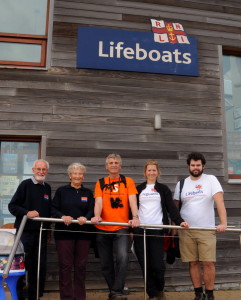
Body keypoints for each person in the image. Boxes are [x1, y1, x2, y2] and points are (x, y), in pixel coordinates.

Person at [173, 152, 227, 300]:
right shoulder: (181, 184)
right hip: (186, 230)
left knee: (208, 262)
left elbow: (219, 201)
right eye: (192, 165)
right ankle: (198, 294)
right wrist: (173, 228)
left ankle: (210, 295)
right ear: (189, 166)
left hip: (206, 229)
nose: (195, 168)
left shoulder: (211, 180)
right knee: (193, 263)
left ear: (203, 166)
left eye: (198, 165)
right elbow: (175, 208)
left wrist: (223, 223)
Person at [133, 159, 189, 300]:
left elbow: (171, 208)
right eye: (149, 170)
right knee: (145, 265)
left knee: (157, 265)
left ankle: (159, 289)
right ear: (145, 172)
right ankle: (151, 294)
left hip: (157, 231)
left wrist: (180, 221)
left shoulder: (163, 189)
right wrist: (131, 230)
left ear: (158, 172)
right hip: (141, 231)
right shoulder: (138, 189)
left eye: (154, 170)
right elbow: (132, 209)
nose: (151, 172)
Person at [91, 153, 140, 300]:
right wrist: (97, 215)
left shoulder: (128, 181)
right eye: (111, 163)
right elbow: (98, 202)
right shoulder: (100, 182)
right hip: (103, 227)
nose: (113, 165)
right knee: (106, 263)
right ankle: (114, 292)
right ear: (106, 166)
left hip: (121, 226)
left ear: (120, 165)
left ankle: (117, 291)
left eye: (116, 162)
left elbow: (132, 201)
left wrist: (135, 217)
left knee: (123, 257)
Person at [8, 159, 51, 300]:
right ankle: (19, 296)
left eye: (44, 169)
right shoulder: (25, 185)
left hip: (41, 234)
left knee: (38, 267)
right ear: (33, 170)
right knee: (21, 266)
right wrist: (27, 212)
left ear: (47, 171)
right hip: (25, 233)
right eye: (38, 169)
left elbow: (48, 211)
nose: (41, 172)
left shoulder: (47, 188)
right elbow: (12, 206)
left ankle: (35, 296)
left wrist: (48, 231)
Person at [51, 162, 94, 300]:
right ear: (70, 175)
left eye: (80, 173)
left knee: (81, 267)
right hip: (64, 234)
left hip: (83, 234)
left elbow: (92, 210)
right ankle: (67, 297)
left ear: (83, 176)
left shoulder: (87, 193)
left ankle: (80, 297)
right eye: (75, 173)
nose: (77, 176)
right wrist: (62, 216)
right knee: (65, 266)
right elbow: (53, 209)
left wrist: (86, 217)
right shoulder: (61, 191)